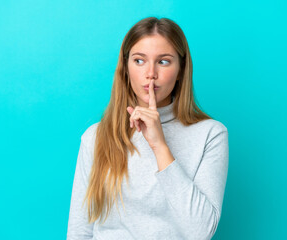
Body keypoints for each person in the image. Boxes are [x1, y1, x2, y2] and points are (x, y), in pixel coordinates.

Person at [67, 17, 229, 240]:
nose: (150, 73)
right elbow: (79, 231)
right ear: (126, 68)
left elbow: (201, 232)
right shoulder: (95, 137)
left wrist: (159, 145)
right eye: (139, 60)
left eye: (163, 61)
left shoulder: (210, 134)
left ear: (181, 69)